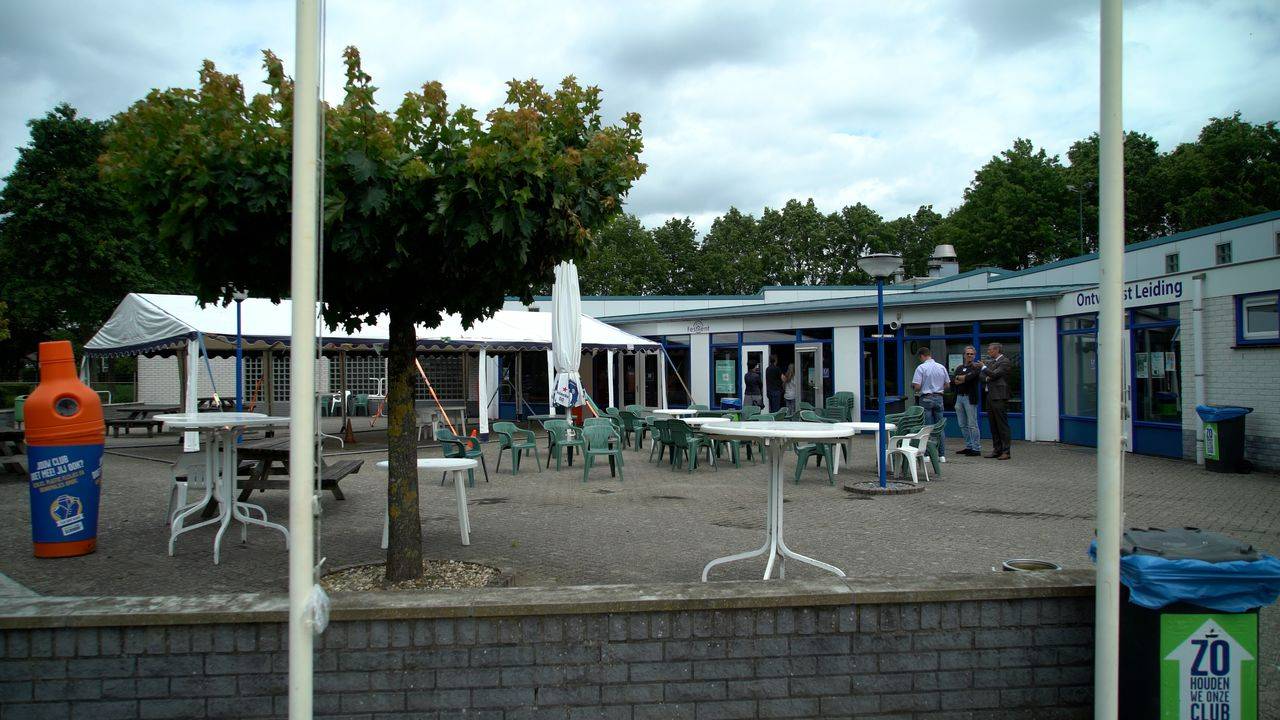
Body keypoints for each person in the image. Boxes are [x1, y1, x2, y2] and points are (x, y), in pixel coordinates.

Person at [910, 347, 949, 462]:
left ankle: (927, 455)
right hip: (939, 398)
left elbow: (917, 386)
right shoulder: (941, 367)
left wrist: (914, 386)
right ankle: (941, 455)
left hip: (926, 398)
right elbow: (947, 384)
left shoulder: (921, 368)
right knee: (939, 427)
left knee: (926, 428)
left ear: (922, 356)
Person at [980, 342, 1013, 459]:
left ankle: (1006, 451)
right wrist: (987, 374)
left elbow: (994, 375)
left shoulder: (1004, 361)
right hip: (990, 395)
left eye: (990, 350)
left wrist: (984, 369)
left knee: (1002, 425)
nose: (988, 352)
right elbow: (983, 377)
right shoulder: (992, 362)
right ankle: (997, 449)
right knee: (993, 424)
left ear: (997, 350)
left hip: (999, 396)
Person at [951, 345, 982, 456]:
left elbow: (970, 378)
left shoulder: (976, 367)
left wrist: (963, 378)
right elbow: (954, 381)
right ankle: (969, 446)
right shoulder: (959, 367)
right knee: (962, 424)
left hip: (970, 398)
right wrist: (964, 378)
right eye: (967, 353)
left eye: (971, 354)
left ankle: (976, 448)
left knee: (972, 424)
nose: (969, 355)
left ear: (974, 355)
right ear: (964, 355)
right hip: (959, 397)